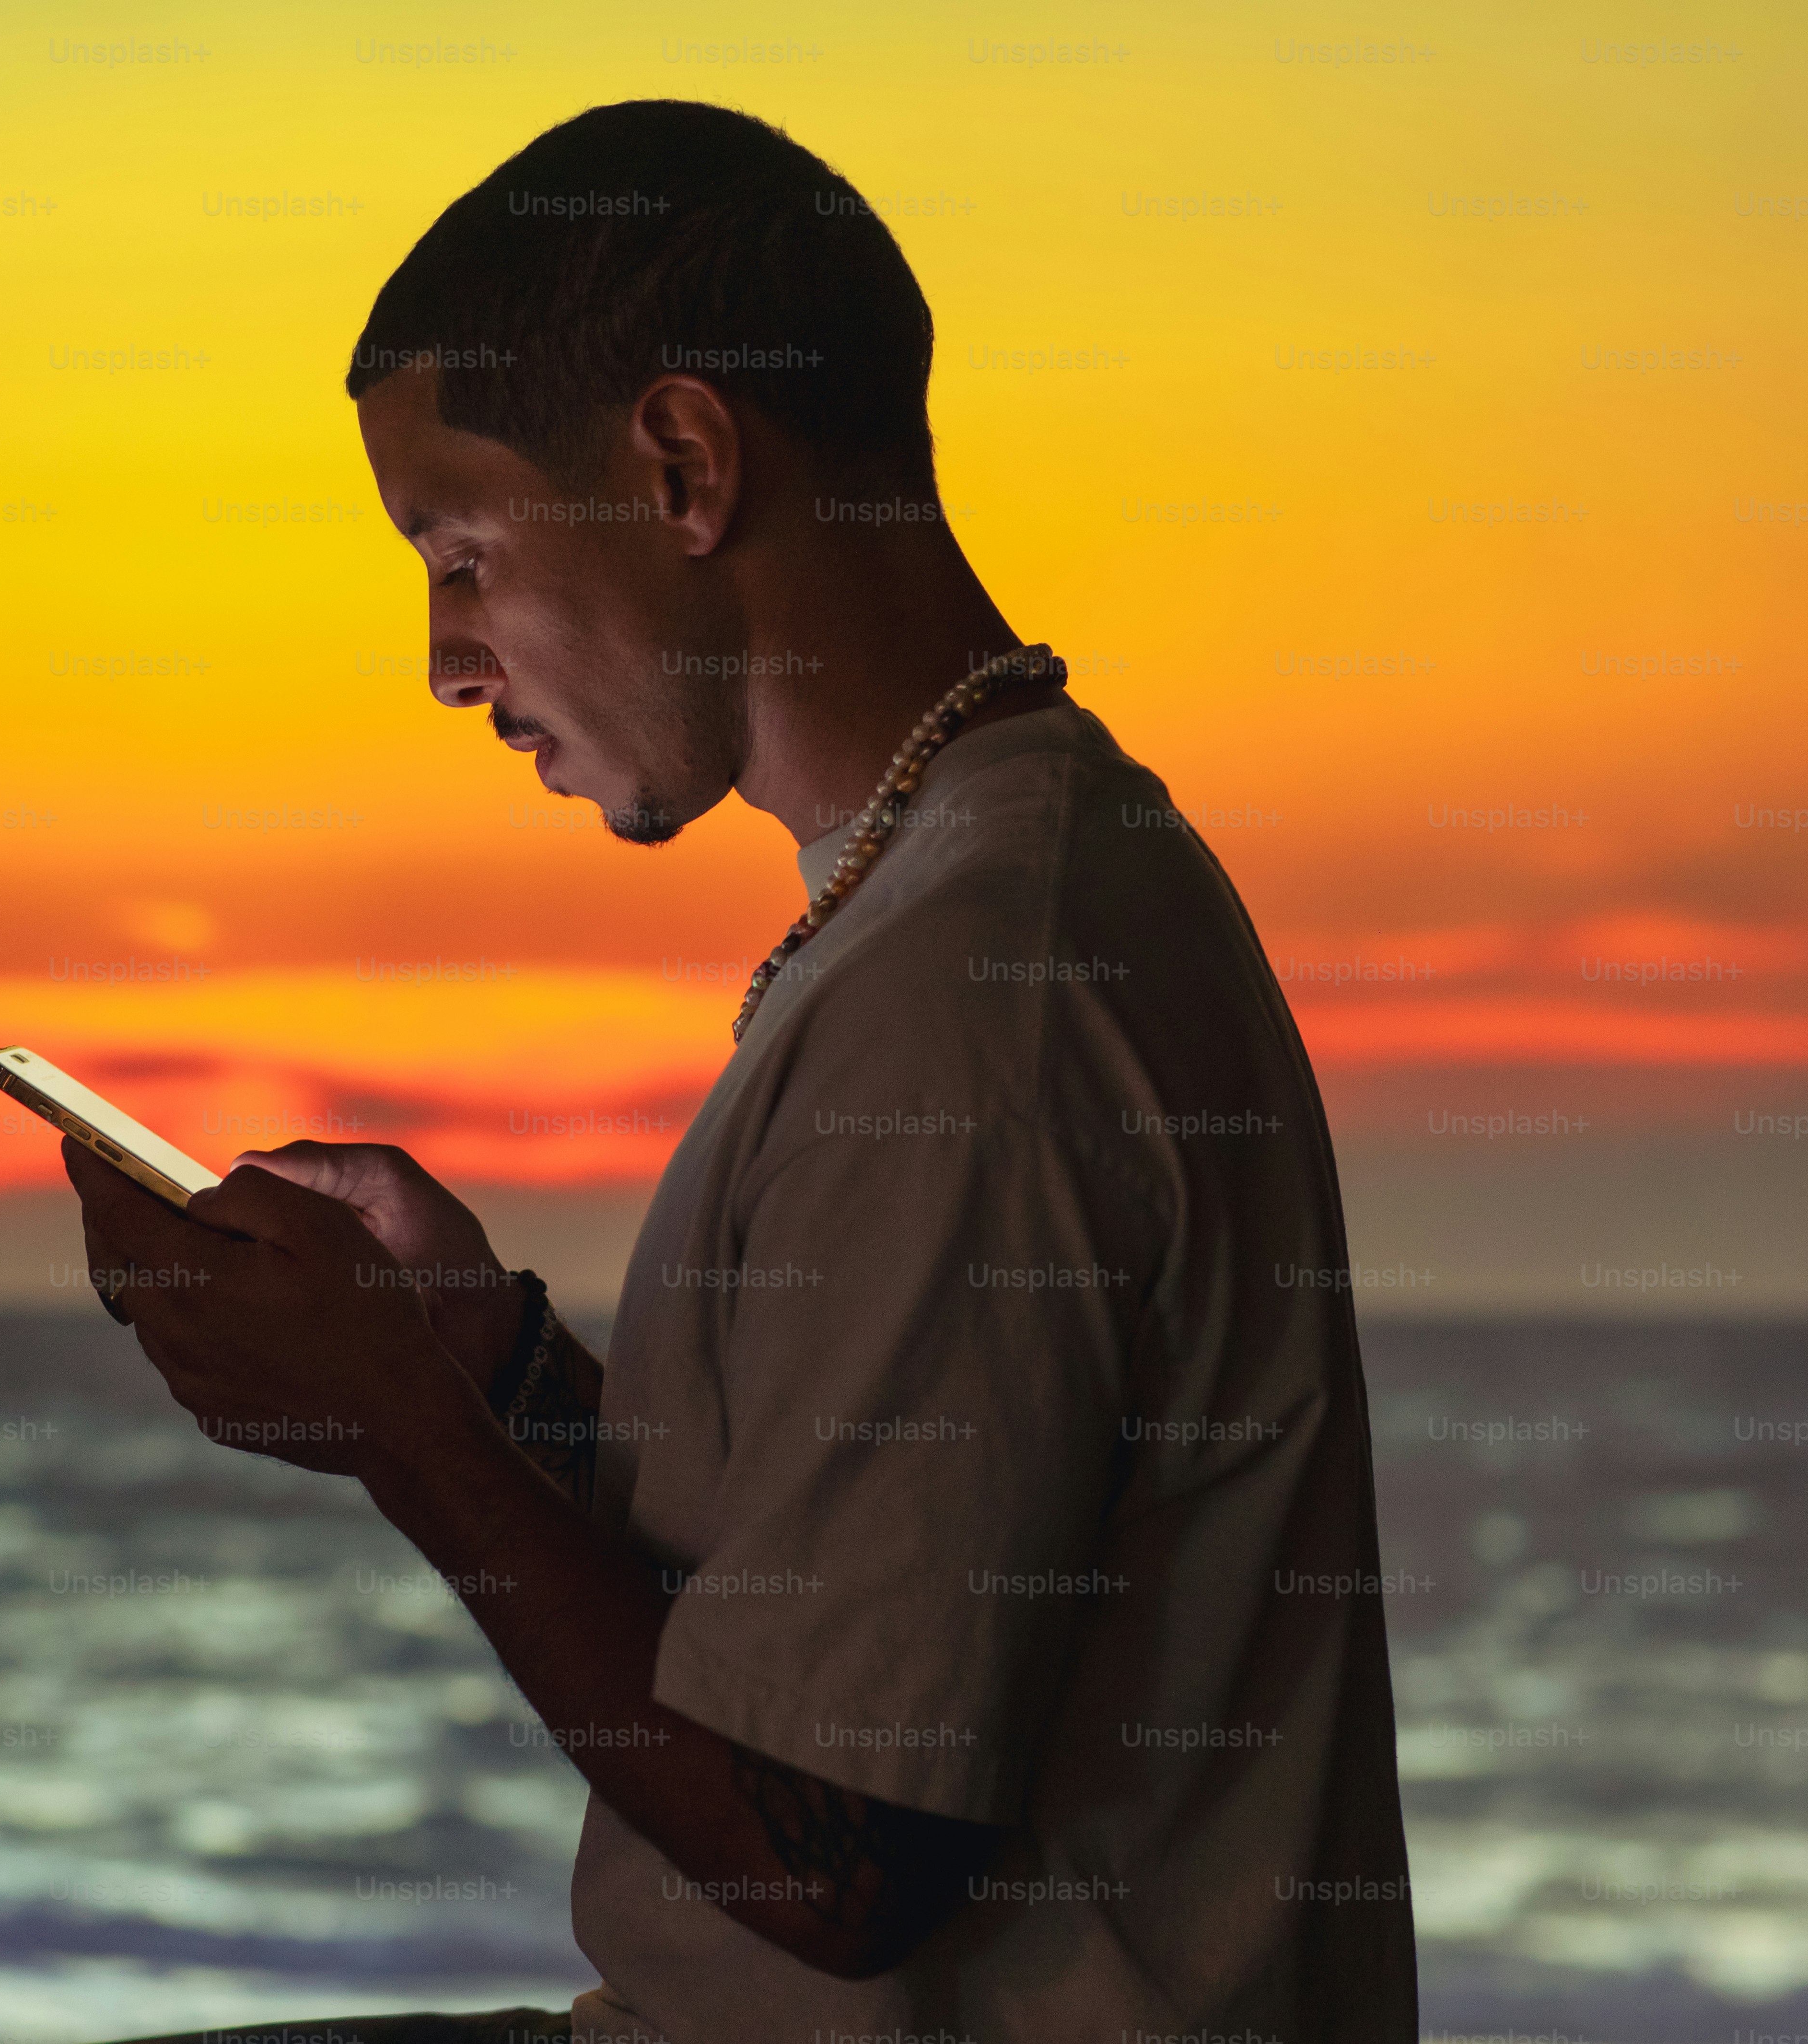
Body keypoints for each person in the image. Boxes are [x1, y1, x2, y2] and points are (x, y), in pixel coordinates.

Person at [82, 99, 1416, 2044]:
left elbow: (837, 1855)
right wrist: (497, 1367)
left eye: (461, 552)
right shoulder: (978, 887)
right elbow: (848, 1575)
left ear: (686, 466)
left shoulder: (975, 989)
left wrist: (409, 1433)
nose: (448, 661)